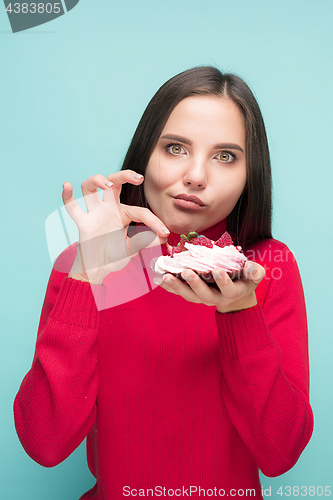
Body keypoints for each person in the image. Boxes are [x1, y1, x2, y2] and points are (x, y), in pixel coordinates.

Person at [14, 66, 314, 499]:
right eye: (175, 148)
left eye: (225, 155)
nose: (196, 175)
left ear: (251, 175)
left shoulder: (267, 267)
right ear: (143, 156)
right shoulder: (80, 264)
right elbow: (45, 444)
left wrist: (238, 312)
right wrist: (85, 275)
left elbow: (280, 452)